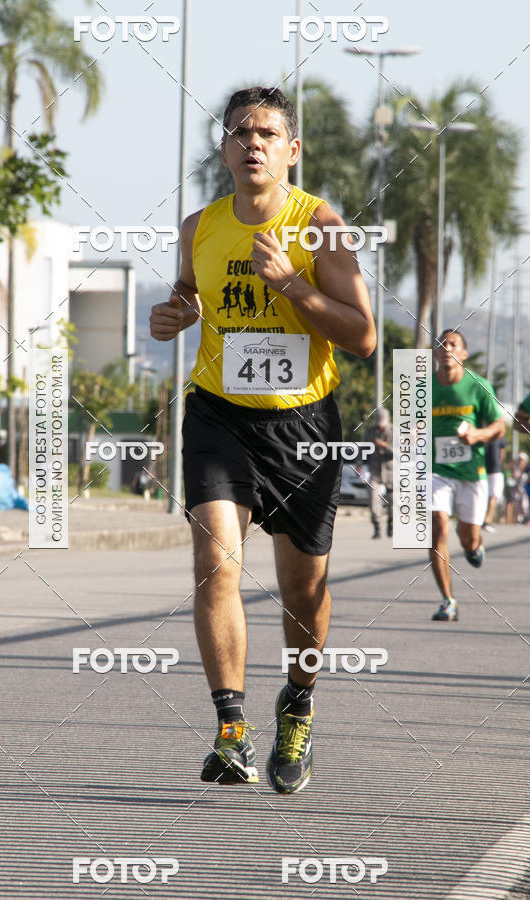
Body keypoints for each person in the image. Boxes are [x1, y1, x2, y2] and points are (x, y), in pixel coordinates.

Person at [150, 86, 375, 793]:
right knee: (217, 563)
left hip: (304, 425)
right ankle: (231, 731)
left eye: (268, 133)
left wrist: (292, 287)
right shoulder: (199, 227)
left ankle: (298, 705)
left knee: (302, 593)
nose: (253, 142)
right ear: (223, 149)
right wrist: (175, 314)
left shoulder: (322, 229)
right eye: (240, 132)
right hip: (219, 414)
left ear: (291, 150)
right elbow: (189, 291)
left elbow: (364, 337)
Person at [430, 330, 505, 622]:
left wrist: (477, 434)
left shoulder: (478, 386)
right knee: (438, 527)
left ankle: (475, 548)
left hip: (471, 474)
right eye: (441, 345)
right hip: (436, 471)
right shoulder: (423, 388)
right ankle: (448, 600)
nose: (446, 348)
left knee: (468, 540)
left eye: (453, 345)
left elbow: (499, 427)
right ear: (436, 353)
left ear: (463, 354)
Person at [362, 407, 393, 539]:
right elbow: (362, 449)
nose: (380, 422)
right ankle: (377, 527)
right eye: (378, 419)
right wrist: (359, 464)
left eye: (382, 419)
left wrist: (385, 446)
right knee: (374, 500)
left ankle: (391, 524)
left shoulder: (394, 432)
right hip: (374, 470)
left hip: (391, 471)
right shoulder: (370, 432)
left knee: (393, 501)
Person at [482, 436, 507, 532]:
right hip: (494, 470)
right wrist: (499, 465)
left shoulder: (481, 430)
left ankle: (484, 520)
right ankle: (486, 521)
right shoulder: (499, 433)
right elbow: (502, 453)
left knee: (488, 496)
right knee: (493, 496)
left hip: (483, 469)